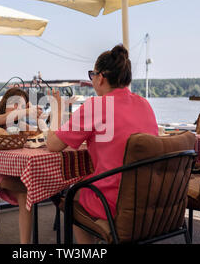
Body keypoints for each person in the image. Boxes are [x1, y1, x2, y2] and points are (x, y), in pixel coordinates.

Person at [46, 44, 159, 243]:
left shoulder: (96, 106)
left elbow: (53, 144)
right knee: (84, 185)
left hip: (117, 202)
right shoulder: (145, 104)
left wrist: (56, 109)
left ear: (101, 78)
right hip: (152, 196)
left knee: (72, 197)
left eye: (92, 75)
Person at [0, 87, 42, 244]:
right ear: (4, 102)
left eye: (21, 105)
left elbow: (40, 133)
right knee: (27, 189)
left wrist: (37, 117)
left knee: (27, 190)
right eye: (14, 103)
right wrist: (26, 112)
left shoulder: (15, 128)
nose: (16, 108)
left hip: (11, 170)